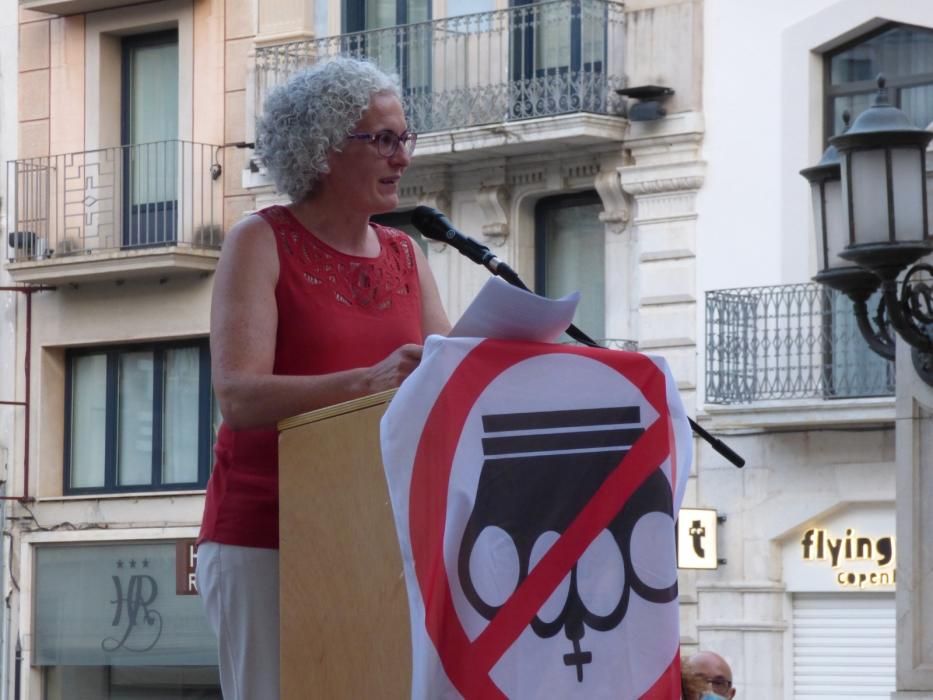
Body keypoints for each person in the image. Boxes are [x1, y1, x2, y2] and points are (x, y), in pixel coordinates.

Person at [195, 56, 450, 700]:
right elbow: (238, 396)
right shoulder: (259, 241)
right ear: (326, 149)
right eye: (384, 139)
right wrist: (370, 381)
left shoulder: (406, 254)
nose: (402, 157)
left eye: (404, 138)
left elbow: (446, 373)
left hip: (380, 531)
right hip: (267, 534)